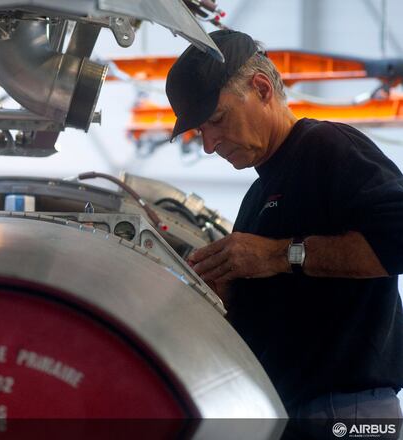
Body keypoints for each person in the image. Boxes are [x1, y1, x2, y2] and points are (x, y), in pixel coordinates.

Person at [166, 29, 403, 419]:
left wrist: (278, 255)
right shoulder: (256, 199)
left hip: (344, 410)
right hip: (286, 410)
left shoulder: (328, 147)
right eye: (201, 132)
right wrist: (223, 293)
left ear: (262, 89)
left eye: (217, 120)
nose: (209, 145)